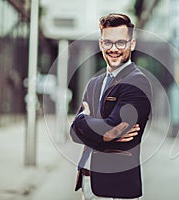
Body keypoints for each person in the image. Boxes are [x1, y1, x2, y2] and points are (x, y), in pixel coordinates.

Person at [70, 13, 152, 200]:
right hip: (88, 183)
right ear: (101, 44)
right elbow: (74, 133)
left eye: (120, 43)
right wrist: (99, 130)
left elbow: (110, 131)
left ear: (132, 44)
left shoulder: (138, 82)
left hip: (117, 188)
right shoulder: (94, 83)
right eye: (108, 42)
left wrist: (83, 121)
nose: (113, 49)